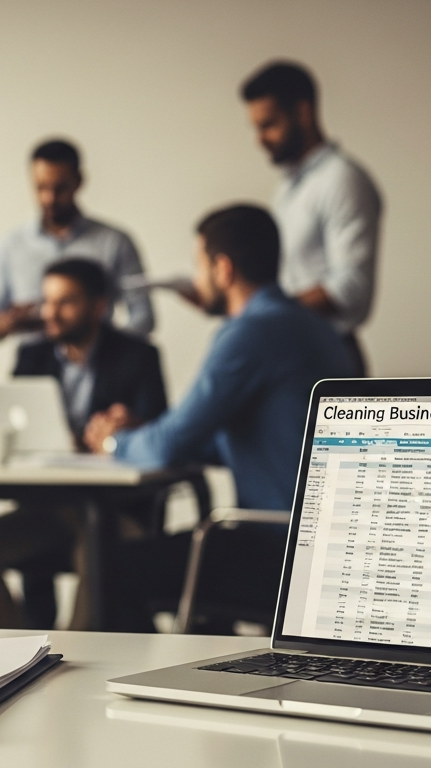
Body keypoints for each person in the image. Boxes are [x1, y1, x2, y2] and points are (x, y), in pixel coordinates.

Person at [83, 204, 353, 633]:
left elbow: (170, 445)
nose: (196, 280)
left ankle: (152, 689)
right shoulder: (318, 328)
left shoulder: (249, 334)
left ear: (223, 269)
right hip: (334, 547)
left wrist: (114, 443)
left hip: (280, 547)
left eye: (199, 266)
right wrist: (141, 430)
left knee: (115, 568)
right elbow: (253, 441)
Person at [0, 258, 168, 630]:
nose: (50, 313)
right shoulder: (32, 355)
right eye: (47, 301)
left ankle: (71, 659)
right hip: (48, 506)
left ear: (99, 306)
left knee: (95, 547)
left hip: (113, 511)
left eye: (65, 302)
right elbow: (13, 427)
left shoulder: (138, 357)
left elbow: (160, 435)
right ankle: (20, 652)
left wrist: (132, 425)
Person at [241, 60, 383, 377]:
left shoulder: (342, 179)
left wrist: (262, 313)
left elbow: (350, 287)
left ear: (303, 113)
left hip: (328, 357)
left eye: (269, 125)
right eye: (256, 128)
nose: (260, 139)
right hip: (291, 352)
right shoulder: (289, 189)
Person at [0, 138, 153, 343]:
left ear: (79, 181)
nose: (50, 198)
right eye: (41, 188)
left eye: (60, 188)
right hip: (34, 365)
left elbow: (143, 315)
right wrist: (8, 323)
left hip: (99, 368)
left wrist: (110, 356)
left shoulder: (115, 242)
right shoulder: (11, 245)